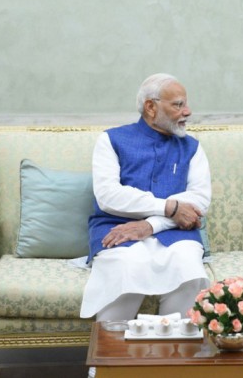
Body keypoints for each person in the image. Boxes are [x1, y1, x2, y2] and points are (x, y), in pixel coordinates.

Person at [80, 73, 211, 324]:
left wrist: (151, 225)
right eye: (178, 104)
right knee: (125, 264)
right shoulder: (110, 140)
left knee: (188, 268)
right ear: (151, 107)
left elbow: (199, 201)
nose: (188, 111)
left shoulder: (192, 147)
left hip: (176, 233)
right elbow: (109, 195)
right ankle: (110, 360)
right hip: (116, 229)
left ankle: (172, 356)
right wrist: (169, 207)